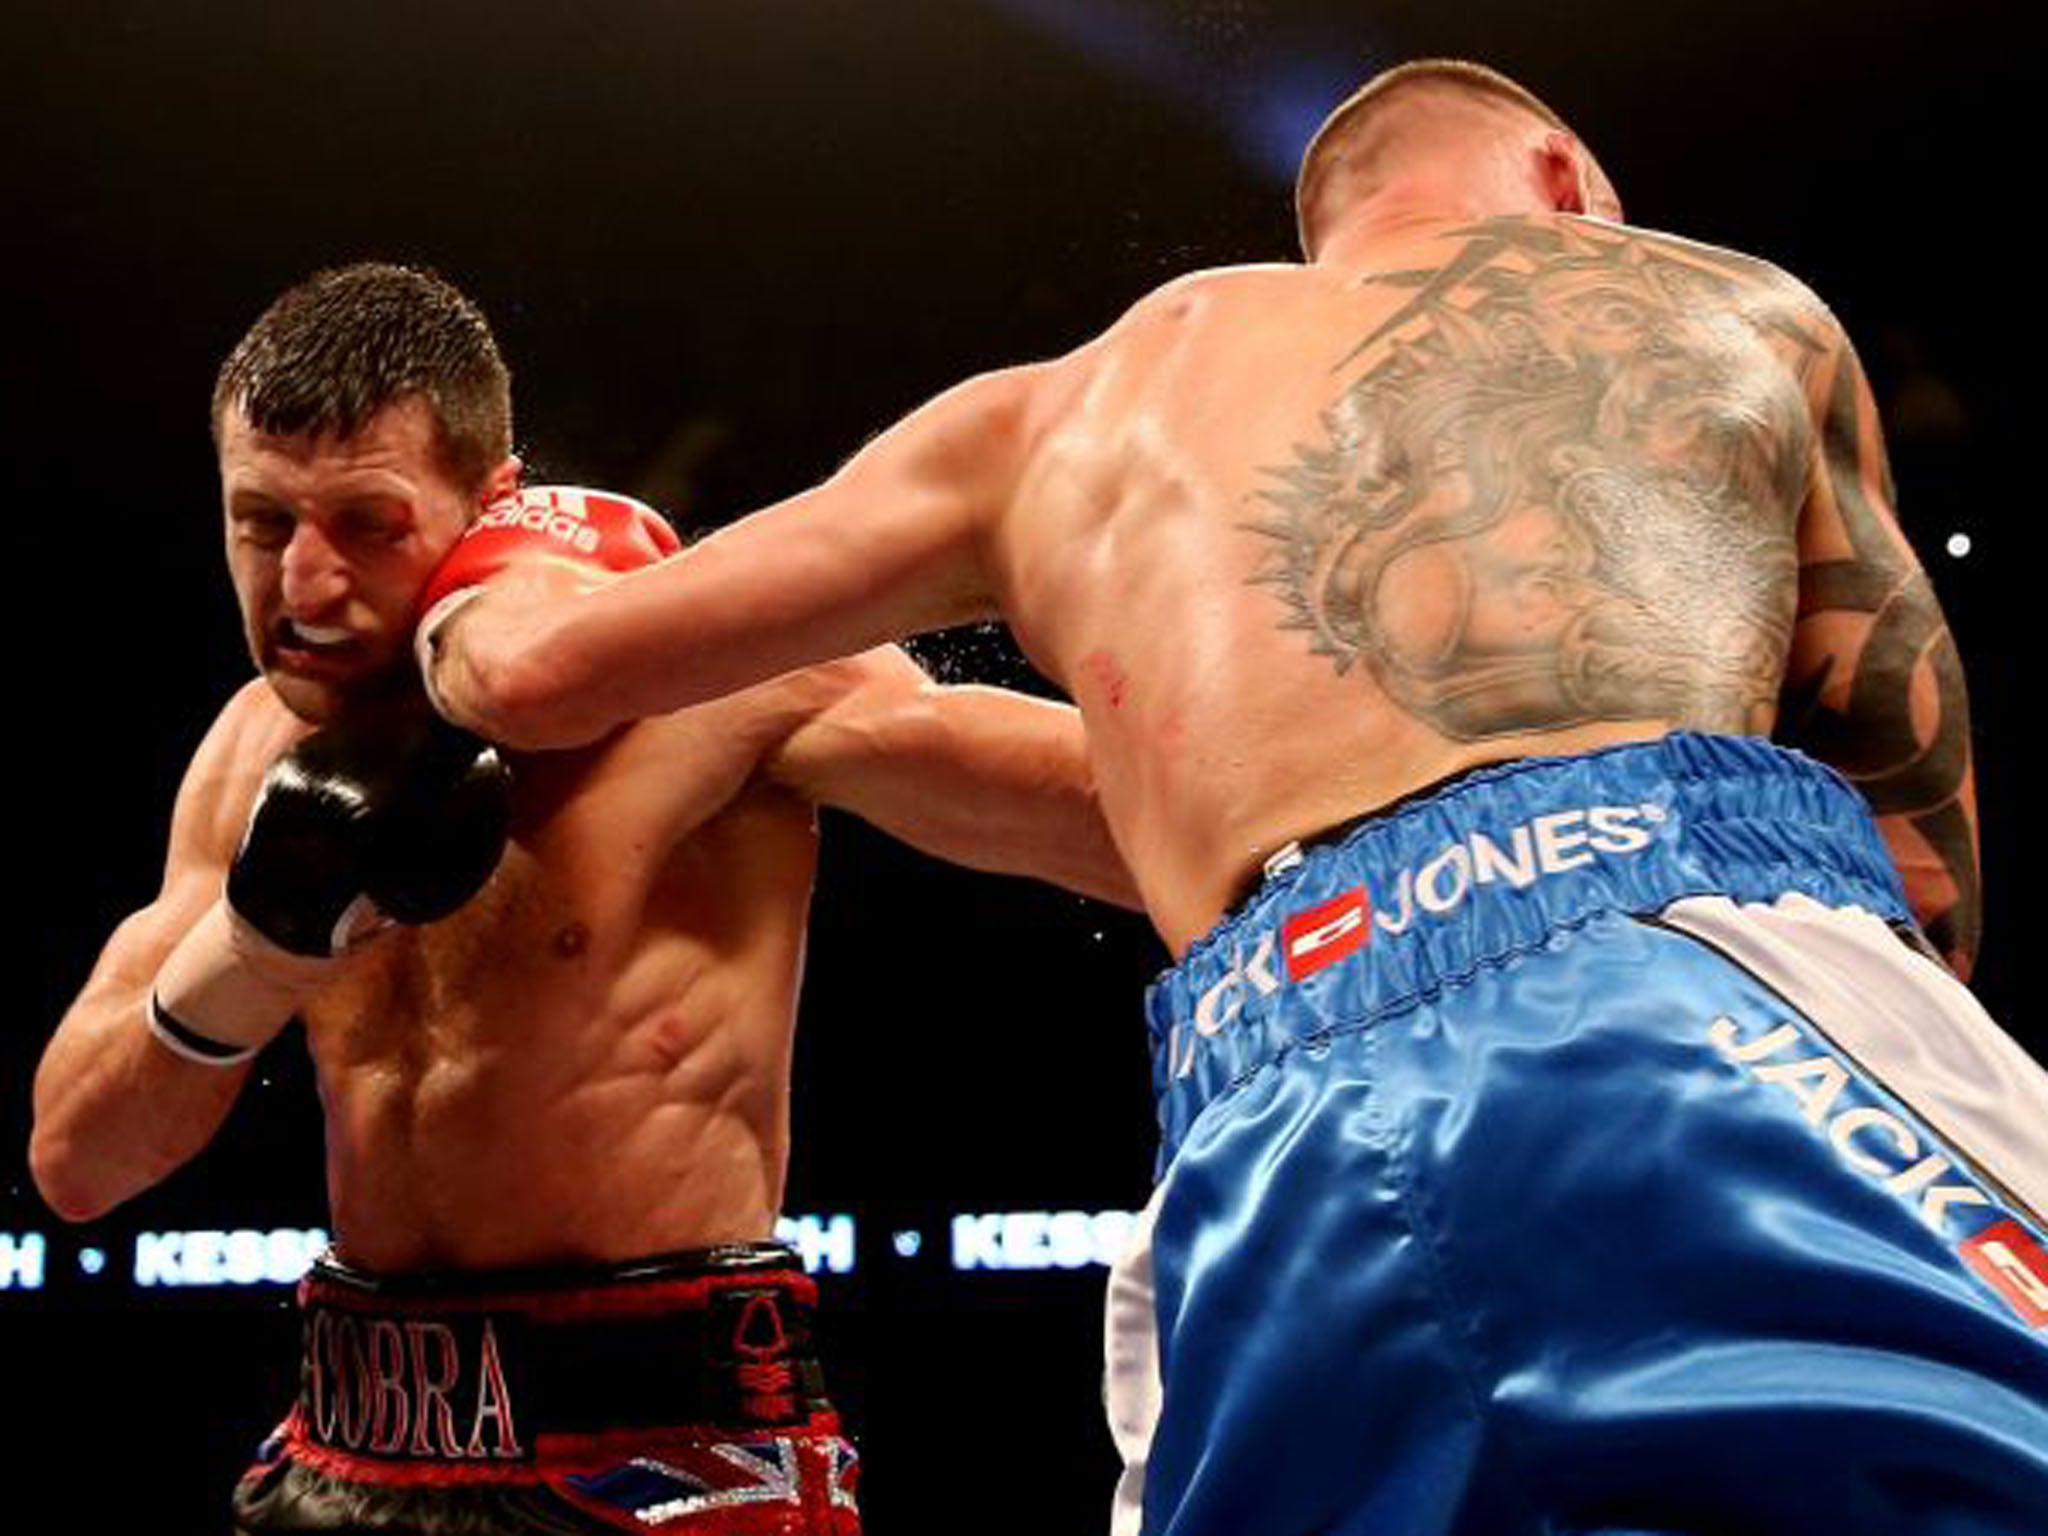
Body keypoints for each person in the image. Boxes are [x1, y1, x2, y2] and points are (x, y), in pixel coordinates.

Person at [421, 57, 2048, 1536]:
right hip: (1702, 993)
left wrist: (485, 591)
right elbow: (1916, 854)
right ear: (1562, 180)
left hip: (1271, 1096)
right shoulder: (1715, 302)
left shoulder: (1056, 412)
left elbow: (533, 675)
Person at [29, 261, 1139, 1536]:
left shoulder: (711, 690)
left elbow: (1145, 821)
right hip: (352, 1443)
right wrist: (255, 944)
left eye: (369, 525)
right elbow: (76, 1162)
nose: (305, 587)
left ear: (492, 503)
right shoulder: (248, 753)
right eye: (262, 524)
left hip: (664, 1450)